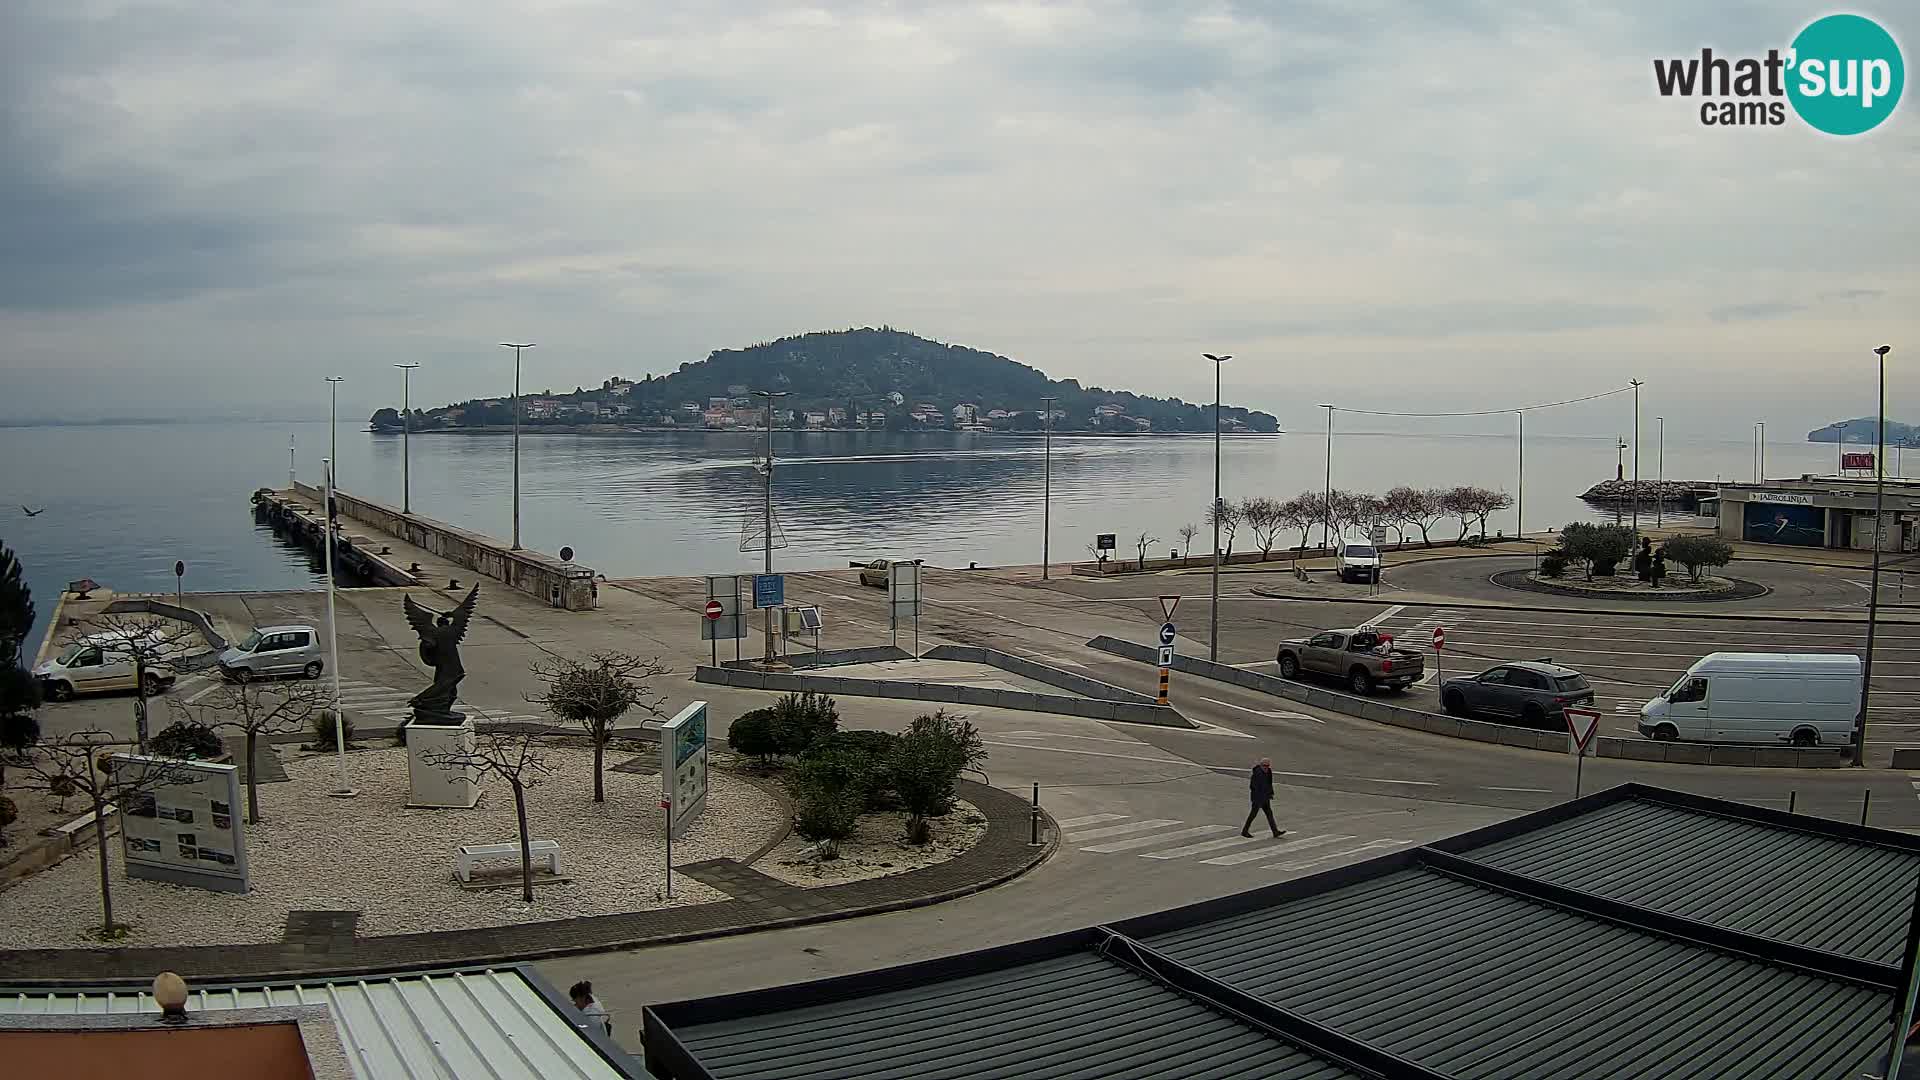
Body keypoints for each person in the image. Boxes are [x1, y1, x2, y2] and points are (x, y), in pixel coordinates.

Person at [1241, 757, 1285, 838]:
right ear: (1261, 765)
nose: (1266, 767)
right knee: (1253, 815)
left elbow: (1269, 783)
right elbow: (1252, 786)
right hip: (1257, 798)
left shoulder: (1269, 772)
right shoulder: (1257, 773)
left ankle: (1275, 831)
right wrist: (1259, 797)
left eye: (1267, 766)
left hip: (1265, 797)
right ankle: (1244, 831)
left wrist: (1270, 793)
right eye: (1264, 766)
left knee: (1269, 814)